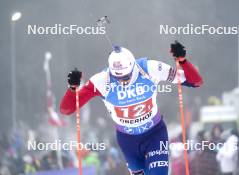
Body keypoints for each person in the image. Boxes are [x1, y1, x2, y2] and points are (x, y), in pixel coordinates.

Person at [60, 41, 203, 175]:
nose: (124, 81)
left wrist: (182, 61)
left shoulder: (150, 68)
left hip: (154, 134)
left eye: (127, 77)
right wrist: (72, 89)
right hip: (127, 141)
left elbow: (195, 82)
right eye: (119, 78)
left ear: (133, 66)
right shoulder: (101, 81)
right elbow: (67, 109)